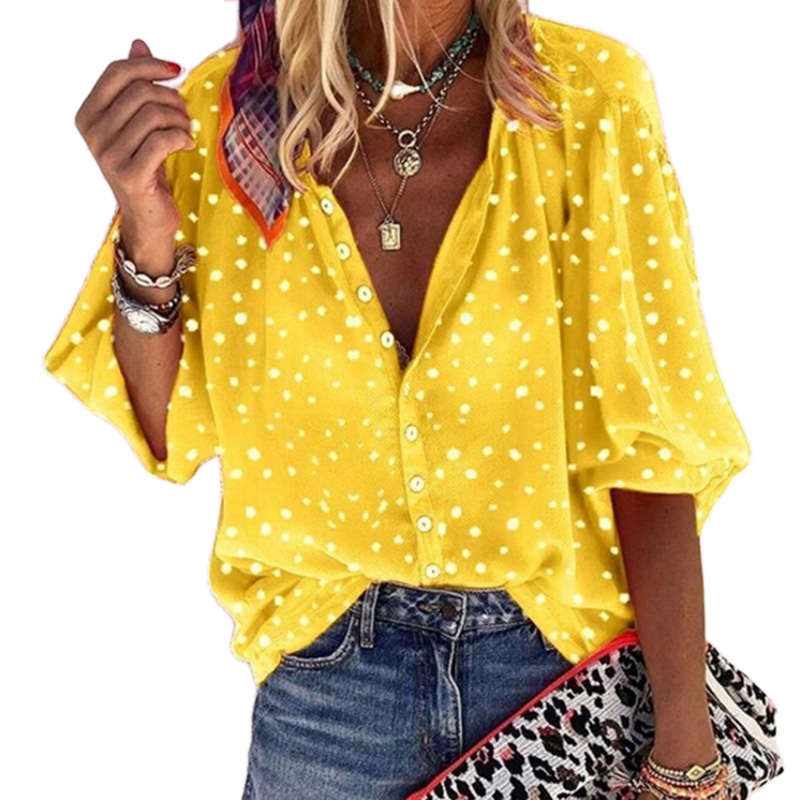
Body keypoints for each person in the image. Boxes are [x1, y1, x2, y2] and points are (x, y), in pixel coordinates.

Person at [43, 1, 747, 798]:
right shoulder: (227, 119)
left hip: (556, 675)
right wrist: (145, 224)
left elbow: (650, 447)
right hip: (326, 697)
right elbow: (167, 424)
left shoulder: (590, 99)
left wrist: (687, 749)